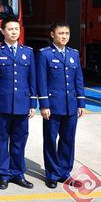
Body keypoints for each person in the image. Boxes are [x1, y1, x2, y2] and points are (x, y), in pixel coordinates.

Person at [0, 16, 36, 190]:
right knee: (2, 139)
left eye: (17, 29)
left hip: (22, 103)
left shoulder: (28, 52)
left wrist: (33, 104)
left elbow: (32, 80)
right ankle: (3, 173)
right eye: (10, 29)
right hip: (3, 104)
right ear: (3, 31)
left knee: (20, 140)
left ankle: (18, 173)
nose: (14, 32)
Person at [36, 21, 86, 189]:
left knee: (68, 140)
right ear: (52, 35)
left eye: (67, 34)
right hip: (53, 106)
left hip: (71, 105)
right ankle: (52, 174)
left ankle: (64, 173)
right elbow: (41, 81)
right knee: (50, 140)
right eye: (60, 33)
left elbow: (78, 80)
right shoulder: (44, 54)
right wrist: (44, 105)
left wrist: (81, 102)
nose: (64, 36)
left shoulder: (73, 54)